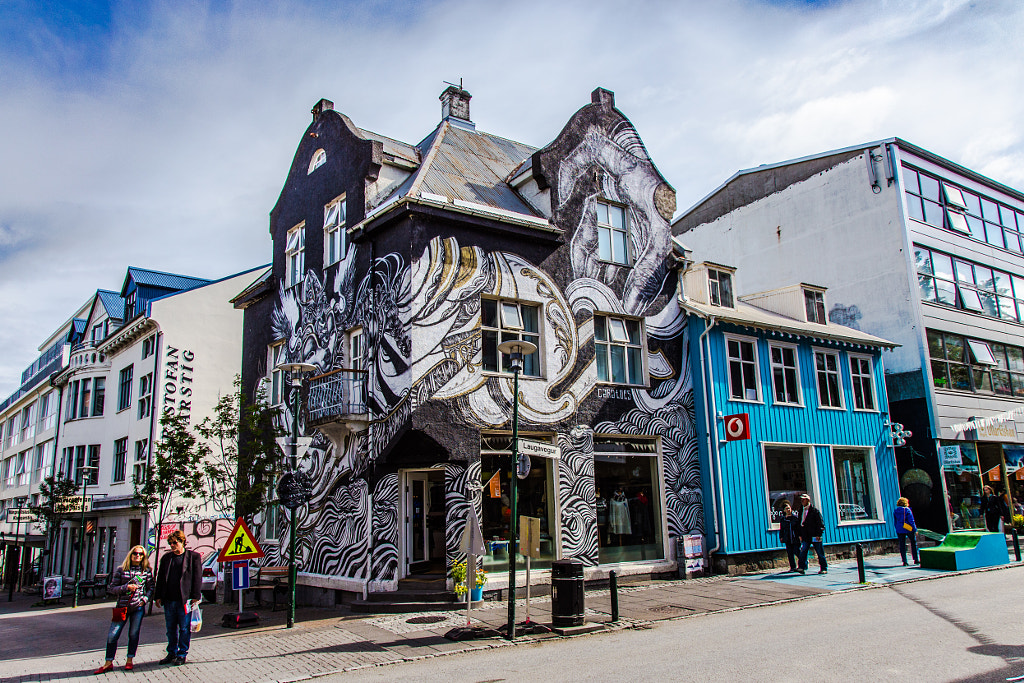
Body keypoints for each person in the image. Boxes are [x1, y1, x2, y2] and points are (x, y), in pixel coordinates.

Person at [93, 545, 154, 674]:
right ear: (130, 555)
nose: (138, 556)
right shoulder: (121, 570)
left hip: (137, 607)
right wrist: (126, 587)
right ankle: (108, 662)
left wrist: (144, 600)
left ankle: (129, 660)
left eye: (141, 554)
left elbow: (151, 588)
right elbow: (111, 588)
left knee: (133, 634)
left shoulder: (146, 571)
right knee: (113, 634)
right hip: (122, 607)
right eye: (135, 553)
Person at [154, 530, 202, 666]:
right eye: (170, 543)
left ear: (182, 542)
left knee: (184, 628)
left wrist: (195, 596)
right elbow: (160, 578)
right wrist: (158, 596)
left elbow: (197, 578)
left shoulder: (193, 557)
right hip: (169, 599)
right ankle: (171, 652)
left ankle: (182, 654)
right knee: (170, 628)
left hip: (185, 600)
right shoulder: (167, 558)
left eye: (175, 543)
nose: (172, 545)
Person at [796, 493, 827, 575]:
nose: (802, 501)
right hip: (805, 535)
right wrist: (800, 534)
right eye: (801, 500)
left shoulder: (814, 511)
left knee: (819, 552)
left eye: (804, 499)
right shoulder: (801, 511)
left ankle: (823, 568)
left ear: (808, 500)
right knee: (803, 551)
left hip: (814, 534)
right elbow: (799, 523)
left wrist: (819, 534)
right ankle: (802, 567)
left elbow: (820, 524)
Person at [893, 497, 919, 566]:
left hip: (899, 529)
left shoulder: (896, 511)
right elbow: (911, 521)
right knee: (913, 543)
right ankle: (916, 559)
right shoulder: (907, 510)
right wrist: (915, 529)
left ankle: (905, 561)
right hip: (908, 528)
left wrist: (897, 528)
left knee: (902, 545)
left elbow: (895, 522)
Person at [778, 501, 801, 572]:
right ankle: (793, 567)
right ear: (784, 510)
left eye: (789, 508)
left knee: (797, 551)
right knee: (790, 553)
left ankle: (803, 564)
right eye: (786, 508)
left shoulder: (795, 518)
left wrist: (800, 535)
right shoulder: (783, 519)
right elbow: (781, 529)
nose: (788, 510)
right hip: (787, 538)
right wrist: (781, 537)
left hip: (795, 537)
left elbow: (799, 528)